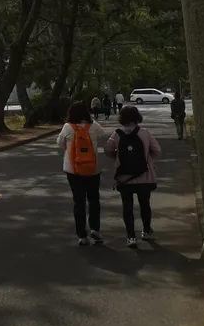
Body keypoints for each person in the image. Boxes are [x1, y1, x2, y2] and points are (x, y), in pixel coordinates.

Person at [104, 104, 162, 247]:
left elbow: (107, 150)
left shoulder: (117, 134)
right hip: (144, 175)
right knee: (144, 204)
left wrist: (118, 158)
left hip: (124, 177)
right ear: (137, 117)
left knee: (127, 207)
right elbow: (157, 151)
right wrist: (147, 160)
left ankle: (131, 237)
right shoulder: (145, 133)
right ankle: (146, 230)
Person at [56, 100, 109, 246]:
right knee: (94, 199)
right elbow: (102, 135)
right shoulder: (93, 126)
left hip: (73, 170)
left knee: (78, 201)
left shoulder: (68, 127)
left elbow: (58, 142)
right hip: (93, 169)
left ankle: (81, 235)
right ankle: (95, 228)